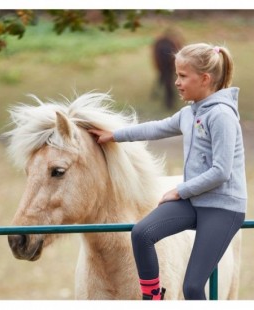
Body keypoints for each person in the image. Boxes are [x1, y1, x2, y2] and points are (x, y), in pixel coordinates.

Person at [88, 43, 247, 300]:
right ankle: (153, 298)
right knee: (142, 233)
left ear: (205, 79)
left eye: (183, 76)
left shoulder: (221, 116)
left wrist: (179, 191)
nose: (176, 82)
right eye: (177, 75)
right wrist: (114, 135)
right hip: (195, 201)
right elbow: (154, 128)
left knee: (193, 287)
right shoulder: (189, 113)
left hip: (223, 207)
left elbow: (221, 171)